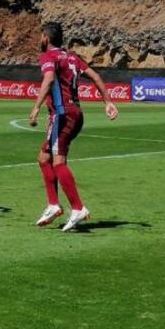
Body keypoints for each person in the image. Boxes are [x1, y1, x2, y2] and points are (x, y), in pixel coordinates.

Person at [28, 22, 119, 232]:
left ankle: (78, 208)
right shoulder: (72, 57)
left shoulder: (49, 57)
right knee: (44, 158)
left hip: (62, 115)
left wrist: (36, 107)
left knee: (58, 162)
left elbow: (49, 79)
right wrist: (108, 102)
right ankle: (53, 205)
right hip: (75, 113)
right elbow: (96, 76)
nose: (40, 39)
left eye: (41, 36)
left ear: (46, 38)